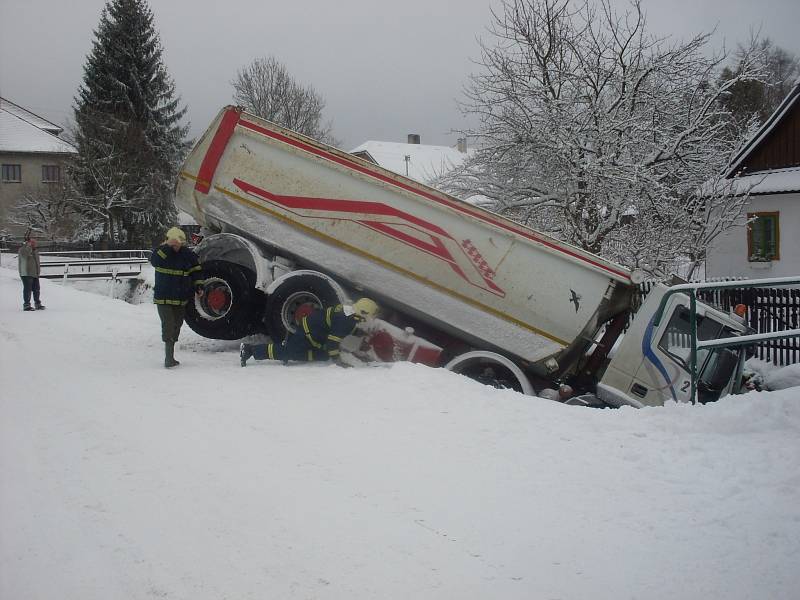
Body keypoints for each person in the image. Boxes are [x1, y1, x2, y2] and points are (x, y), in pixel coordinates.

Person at [240, 298, 379, 367]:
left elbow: (341, 327)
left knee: (323, 355)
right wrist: (338, 361)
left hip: (312, 329)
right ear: (363, 312)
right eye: (368, 315)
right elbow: (332, 342)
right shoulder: (346, 320)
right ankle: (250, 350)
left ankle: (292, 346)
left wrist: (358, 333)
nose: (367, 318)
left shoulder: (347, 311)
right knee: (289, 352)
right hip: (308, 333)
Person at [150, 227, 204, 368]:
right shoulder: (161, 253)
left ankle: (171, 356)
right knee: (168, 326)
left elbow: (196, 271)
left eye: (177, 243)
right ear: (167, 242)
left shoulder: (187, 254)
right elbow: (154, 261)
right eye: (172, 243)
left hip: (180, 298)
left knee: (177, 326)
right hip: (164, 298)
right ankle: (169, 358)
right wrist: (168, 247)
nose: (175, 246)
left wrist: (199, 286)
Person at [18, 236, 44, 311]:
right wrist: (28, 246)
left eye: (35, 242)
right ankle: (26, 305)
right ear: (28, 242)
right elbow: (25, 255)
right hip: (26, 273)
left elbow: (37, 262)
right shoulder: (23, 249)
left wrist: (38, 272)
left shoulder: (35, 251)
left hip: (34, 273)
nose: (34, 243)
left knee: (36, 289)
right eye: (32, 242)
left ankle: (37, 304)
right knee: (27, 289)